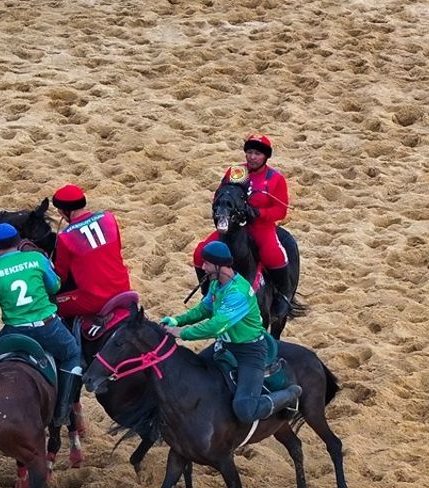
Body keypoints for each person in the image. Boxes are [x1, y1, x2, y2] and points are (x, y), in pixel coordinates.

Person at [162, 241, 301, 424]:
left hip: (249, 352)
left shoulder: (237, 293)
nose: (203, 267)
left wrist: (182, 332)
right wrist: (177, 320)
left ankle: (290, 395)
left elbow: (216, 326)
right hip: (225, 346)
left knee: (245, 409)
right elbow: (204, 309)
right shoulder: (217, 284)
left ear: (220, 266)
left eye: (207, 264)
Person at [0, 223, 82, 426]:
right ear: (19, 242)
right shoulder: (37, 259)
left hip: (14, 331)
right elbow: (54, 285)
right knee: (73, 354)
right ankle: (62, 411)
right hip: (48, 327)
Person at [192, 134, 291, 317]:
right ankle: (207, 294)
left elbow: (281, 210)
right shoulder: (237, 172)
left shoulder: (275, 178)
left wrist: (259, 213)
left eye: (258, 154)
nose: (253, 157)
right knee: (200, 253)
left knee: (273, 255)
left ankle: (283, 296)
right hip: (234, 226)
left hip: (260, 226)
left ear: (266, 157)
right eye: (250, 152)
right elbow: (220, 196)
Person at [48, 184, 133, 320]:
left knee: (49, 305)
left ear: (65, 211)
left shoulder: (65, 237)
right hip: (123, 288)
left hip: (94, 300)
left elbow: (60, 277)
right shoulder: (109, 218)